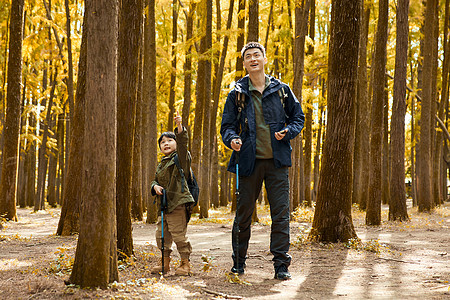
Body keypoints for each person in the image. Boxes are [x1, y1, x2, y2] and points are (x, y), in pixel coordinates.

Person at [220, 42, 305, 280]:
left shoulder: (282, 90)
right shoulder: (236, 92)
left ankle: (281, 266)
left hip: (277, 162)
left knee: (281, 214)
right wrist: (233, 139)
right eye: (248, 56)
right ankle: (238, 264)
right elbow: (226, 126)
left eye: (257, 55)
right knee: (243, 214)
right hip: (247, 163)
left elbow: (298, 117)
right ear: (244, 62)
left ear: (265, 59)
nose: (253, 59)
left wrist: (288, 131)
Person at [150, 111, 195, 276]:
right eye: (162, 142)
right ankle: (165, 263)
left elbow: (183, 145)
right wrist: (155, 186)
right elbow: (155, 180)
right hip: (164, 206)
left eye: (170, 140)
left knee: (179, 235)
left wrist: (179, 127)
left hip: (177, 203)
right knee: (161, 236)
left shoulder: (180, 159)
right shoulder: (161, 164)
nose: (166, 143)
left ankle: (185, 263)